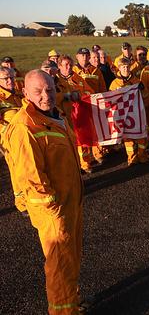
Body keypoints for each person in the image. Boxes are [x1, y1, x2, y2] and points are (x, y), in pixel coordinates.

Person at [5, 70, 84, 314]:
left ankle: (72, 301)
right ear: (25, 93)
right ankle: (63, 311)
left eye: (49, 89)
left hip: (69, 202)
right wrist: (54, 210)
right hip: (53, 210)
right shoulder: (25, 127)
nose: (45, 95)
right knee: (60, 264)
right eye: (38, 91)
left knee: (70, 259)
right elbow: (32, 178)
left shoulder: (53, 115)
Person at [58, 55, 97, 173]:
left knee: (82, 140)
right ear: (59, 66)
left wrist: (80, 95)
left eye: (70, 64)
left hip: (78, 114)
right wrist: (64, 96)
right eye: (65, 65)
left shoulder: (78, 79)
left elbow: (90, 92)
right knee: (67, 143)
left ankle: (85, 164)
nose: (68, 67)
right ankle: (72, 166)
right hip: (63, 116)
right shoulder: (55, 80)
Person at [110, 58, 149, 166]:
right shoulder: (114, 83)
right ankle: (132, 158)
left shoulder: (137, 81)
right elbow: (111, 100)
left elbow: (145, 96)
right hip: (124, 115)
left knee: (141, 135)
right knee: (127, 137)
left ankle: (142, 155)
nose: (126, 69)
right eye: (123, 67)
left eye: (127, 66)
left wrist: (143, 89)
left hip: (137, 113)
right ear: (119, 68)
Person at [0, 66, 24, 212]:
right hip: (9, 140)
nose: (10, 80)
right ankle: (21, 203)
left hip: (24, 138)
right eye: (6, 78)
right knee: (16, 170)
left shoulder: (17, 92)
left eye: (12, 77)